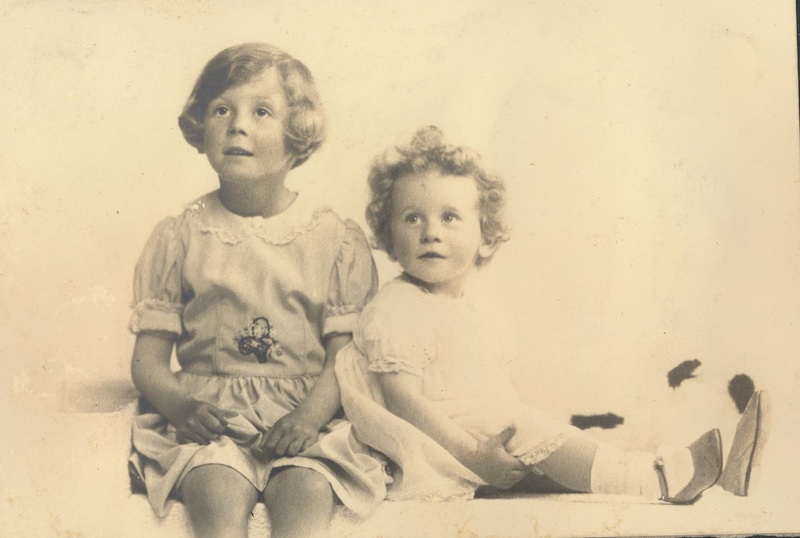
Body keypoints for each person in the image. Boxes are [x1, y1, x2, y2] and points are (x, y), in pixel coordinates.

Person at [335, 125, 767, 505]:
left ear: (485, 236)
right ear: (389, 233)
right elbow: (403, 403)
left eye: (450, 217)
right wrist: (474, 455)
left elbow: (491, 389)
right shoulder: (398, 306)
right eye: (412, 218)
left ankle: (700, 474)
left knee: (554, 442)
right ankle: (655, 479)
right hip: (432, 445)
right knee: (530, 429)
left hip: (474, 433)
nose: (431, 231)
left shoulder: (479, 308)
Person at [128, 43, 388, 538]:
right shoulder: (181, 235)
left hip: (304, 415)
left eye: (261, 112)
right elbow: (148, 361)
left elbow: (345, 355)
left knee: (306, 491)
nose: (237, 126)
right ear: (201, 125)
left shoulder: (334, 239)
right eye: (222, 110)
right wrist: (182, 408)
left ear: (297, 134)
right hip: (212, 419)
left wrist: (308, 419)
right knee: (214, 490)